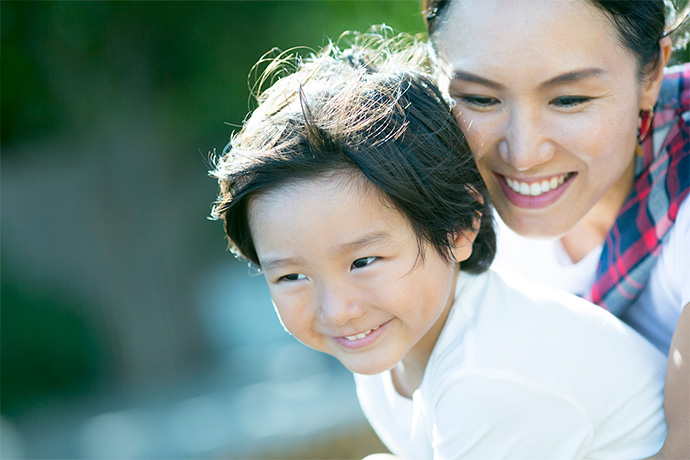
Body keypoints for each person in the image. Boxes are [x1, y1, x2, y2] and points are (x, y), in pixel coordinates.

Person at [210, 32, 667, 458]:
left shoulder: (484, 378)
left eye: (364, 261)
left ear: (460, 227)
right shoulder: (389, 355)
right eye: (292, 276)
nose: (336, 310)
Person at [422, 0, 690, 457]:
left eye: (569, 99)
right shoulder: (442, 199)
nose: (523, 154)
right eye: (480, 99)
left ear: (651, 74)